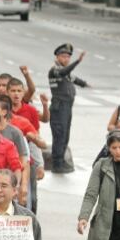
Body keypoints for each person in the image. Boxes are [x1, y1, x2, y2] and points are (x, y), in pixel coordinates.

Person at [47, 43, 88, 173]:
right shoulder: (55, 70)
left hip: (67, 107)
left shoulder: (67, 73)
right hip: (59, 108)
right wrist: (78, 61)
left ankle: (61, 161)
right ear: (57, 57)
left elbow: (77, 80)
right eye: (63, 56)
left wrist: (87, 85)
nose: (66, 59)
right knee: (59, 135)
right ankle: (57, 164)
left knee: (65, 135)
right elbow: (65, 71)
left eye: (68, 57)